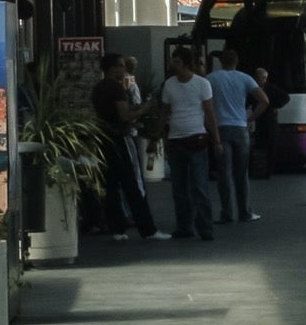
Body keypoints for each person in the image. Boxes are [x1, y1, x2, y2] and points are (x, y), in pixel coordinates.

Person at [90, 54, 160, 241]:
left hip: (104, 138)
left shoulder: (98, 88)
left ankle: (117, 228)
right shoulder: (116, 88)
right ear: (113, 68)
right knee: (133, 182)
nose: (124, 69)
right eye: (121, 65)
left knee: (111, 183)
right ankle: (147, 228)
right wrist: (145, 108)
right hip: (120, 138)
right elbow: (124, 115)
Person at [159, 48, 220, 240]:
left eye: (176, 61)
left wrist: (216, 139)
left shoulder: (202, 84)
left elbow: (210, 114)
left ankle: (203, 227)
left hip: (194, 138)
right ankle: (187, 226)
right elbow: (164, 112)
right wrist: (159, 136)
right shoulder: (169, 84)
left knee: (197, 185)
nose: (172, 64)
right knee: (180, 188)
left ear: (185, 63)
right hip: (179, 139)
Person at [205, 47, 267, 223]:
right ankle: (244, 212)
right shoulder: (245, 78)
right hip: (240, 127)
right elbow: (264, 100)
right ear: (236, 61)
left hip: (220, 128)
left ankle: (226, 213)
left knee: (224, 172)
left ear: (220, 61)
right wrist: (250, 118)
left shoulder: (211, 79)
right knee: (241, 173)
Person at [250, 64, 286, 181]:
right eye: (258, 77)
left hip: (269, 120)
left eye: (262, 78)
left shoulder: (271, 89)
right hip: (259, 119)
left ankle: (267, 171)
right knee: (259, 145)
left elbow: (285, 98)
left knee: (271, 146)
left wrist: (273, 106)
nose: (260, 80)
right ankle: (256, 169)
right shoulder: (253, 88)